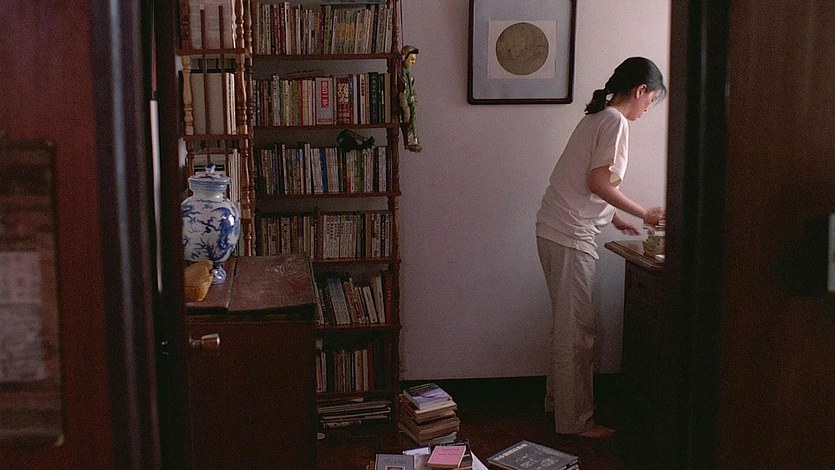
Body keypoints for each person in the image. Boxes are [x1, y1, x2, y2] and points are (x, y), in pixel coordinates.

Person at [535, 57, 667, 439]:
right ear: (641, 91)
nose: (647, 110)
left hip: (553, 231)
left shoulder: (596, 117)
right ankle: (576, 422)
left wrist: (615, 218)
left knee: (567, 327)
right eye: (651, 101)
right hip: (568, 236)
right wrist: (644, 213)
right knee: (578, 332)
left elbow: (582, 181)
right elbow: (597, 182)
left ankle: (558, 406)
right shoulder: (615, 121)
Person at [398, 45, 421, 152]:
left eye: (414, 60)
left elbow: (410, 86)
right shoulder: (401, 70)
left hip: (409, 96)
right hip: (404, 96)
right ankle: (411, 138)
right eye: (411, 59)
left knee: (413, 112)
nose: (413, 62)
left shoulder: (407, 71)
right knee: (407, 114)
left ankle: (415, 137)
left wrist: (411, 95)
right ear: (405, 58)